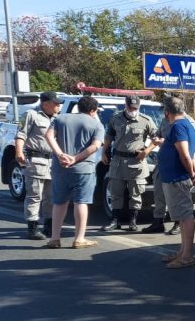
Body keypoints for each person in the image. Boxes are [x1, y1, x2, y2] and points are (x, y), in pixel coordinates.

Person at [44, 95, 104, 249]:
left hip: (60, 167)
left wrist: (60, 154)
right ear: (93, 110)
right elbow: (95, 146)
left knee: (59, 202)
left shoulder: (60, 118)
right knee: (81, 202)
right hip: (83, 169)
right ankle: (79, 239)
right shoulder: (96, 124)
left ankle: (54, 238)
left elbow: (48, 136)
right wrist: (75, 158)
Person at [158, 97, 195, 269]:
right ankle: (182, 251)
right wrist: (194, 173)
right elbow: (192, 155)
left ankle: (187, 256)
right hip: (175, 178)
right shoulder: (186, 125)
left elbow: (186, 155)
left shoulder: (178, 126)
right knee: (182, 215)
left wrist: (193, 174)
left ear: (167, 113)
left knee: (185, 216)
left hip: (177, 178)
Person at [101, 95, 157, 232]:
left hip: (136, 162)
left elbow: (156, 138)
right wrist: (104, 152)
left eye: (135, 108)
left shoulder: (146, 121)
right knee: (115, 192)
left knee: (135, 194)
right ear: (125, 105)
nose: (132, 110)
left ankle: (133, 221)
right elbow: (109, 137)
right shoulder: (116, 118)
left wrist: (147, 151)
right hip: (118, 161)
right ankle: (115, 221)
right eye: (130, 107)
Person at [15, 91, 62, 240]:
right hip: (35, 160)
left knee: (51, 196)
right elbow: (21, 134)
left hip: (52, 162)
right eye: (55, 103)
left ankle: (48, 225)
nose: (58, 106)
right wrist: (18, 152)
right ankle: (33, 227)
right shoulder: (31, 114)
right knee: (35, 195)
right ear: (45, 104)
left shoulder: (57, 119)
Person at [141, 119, 181, 236]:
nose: (165, 112)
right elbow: (157, 135)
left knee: (174, 196)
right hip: (162, 162)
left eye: (166, 108)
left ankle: (178, 223)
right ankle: (158, 222)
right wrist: (154, 141)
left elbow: (184, 143)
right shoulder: (164, 121)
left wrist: (165, 141)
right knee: (158, 192)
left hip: (175, 162)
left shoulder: (184, 122)